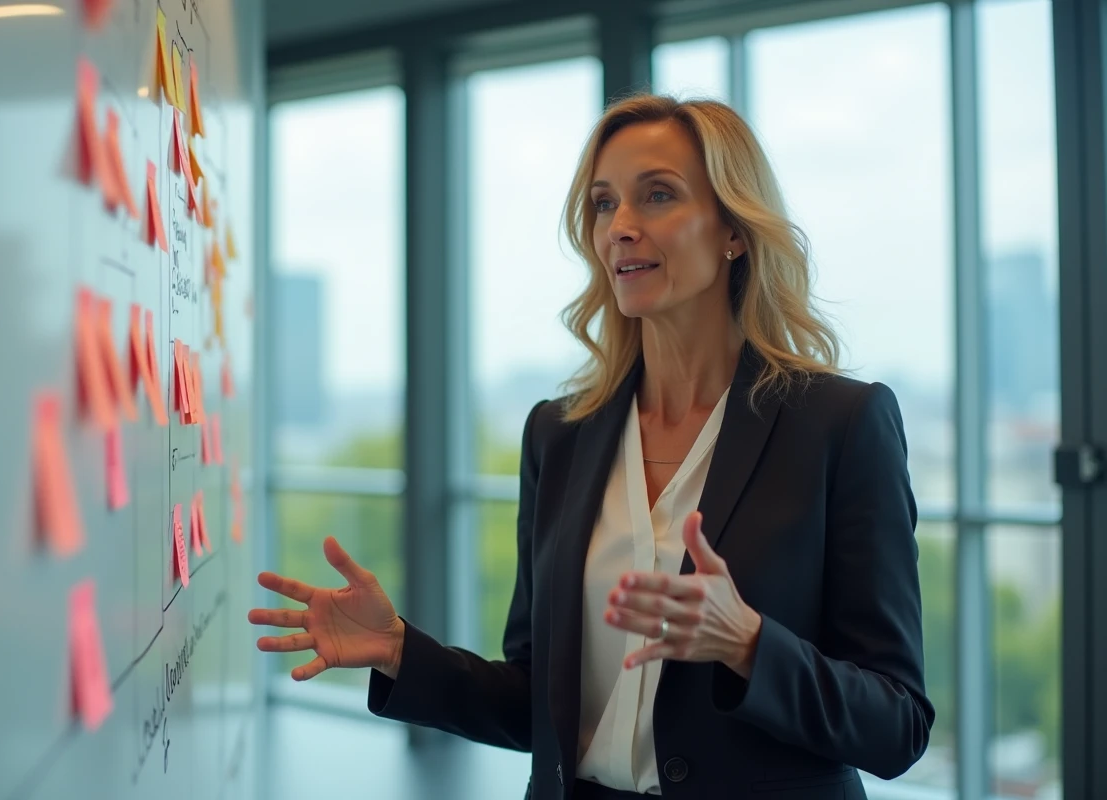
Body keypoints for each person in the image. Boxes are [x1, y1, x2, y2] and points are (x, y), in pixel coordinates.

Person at [249, 93, 934, 800]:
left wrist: (750, 644)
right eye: (605, 204)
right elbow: (539, 701)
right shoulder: (559, 434)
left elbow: (898, 724)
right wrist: (400, 651)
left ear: (733, 228)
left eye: (658, 195)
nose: (621, 228)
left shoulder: (840, 424)